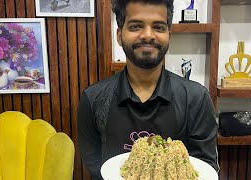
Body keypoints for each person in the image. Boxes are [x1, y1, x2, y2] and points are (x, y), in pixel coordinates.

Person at [77, 0, 218, 179]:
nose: (148, 35)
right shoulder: (92, 100)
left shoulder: (197, 99)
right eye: (136, 26)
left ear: (169, 35)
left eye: (159, 27)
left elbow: (203, 170)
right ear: (119, 35)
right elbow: (97, 171)